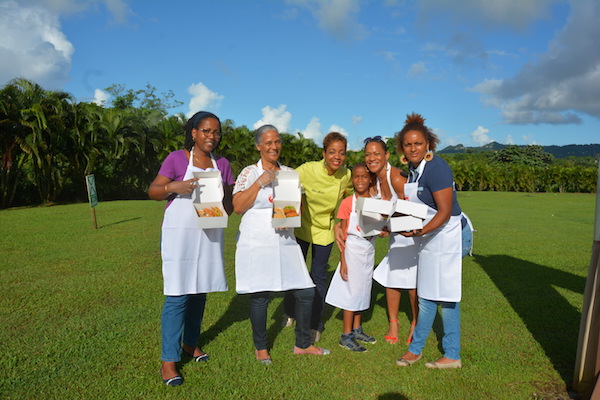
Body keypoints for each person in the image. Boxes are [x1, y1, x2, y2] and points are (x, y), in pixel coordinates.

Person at [148, 111, 234, 386]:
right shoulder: (177, 158)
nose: (212, 136)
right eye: (206, 131)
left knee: (199, 292)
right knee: (177, 294)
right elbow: (154, 190)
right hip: (180, 234)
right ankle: (169, 361)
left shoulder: (222, 164)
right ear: (194, 133)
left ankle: (190, 344)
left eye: (216, 132)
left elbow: (230, 205)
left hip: (209, 235)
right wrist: (176, 186)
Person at [233, 125, 330, 365]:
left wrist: (291, 211)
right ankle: (261, 348)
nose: (274, 147)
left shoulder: (288, 173)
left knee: (306, 291)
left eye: (276, 142)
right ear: (258, 146)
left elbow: (301, 206)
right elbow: (237, 206)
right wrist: (259, 183)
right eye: (268, 143)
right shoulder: (248, 173)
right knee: (260, 295)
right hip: (257, 241)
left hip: (285, 241)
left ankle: (302, 344)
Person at [395, 113, 463, 369]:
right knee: (425, 296)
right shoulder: (413, 171)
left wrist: (419, 232)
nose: (413, 149)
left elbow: (444, 212)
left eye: (418, 144)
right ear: (403, 148)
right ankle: (416, 349)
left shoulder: (437, 168)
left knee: (447, 298)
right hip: (427, 238)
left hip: (445, 238)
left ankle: (452, 354)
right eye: (408, 145)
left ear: (428, 145)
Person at [282, 132, 353, 343]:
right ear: (324, 153)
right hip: (301, 228)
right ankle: (290, 312)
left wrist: (342, 220)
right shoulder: (306, 169)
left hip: (325, 231)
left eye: (341, 152)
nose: (337, 156)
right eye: (332, 152)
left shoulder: (346, 175)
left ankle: (315, 323)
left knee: (318, 277)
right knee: (295, 273)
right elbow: (286, 183)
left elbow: (350, 196)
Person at [362, 136, 419, 346]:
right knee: (392, 279)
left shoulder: (396, 178)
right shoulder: (374, 180)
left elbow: (415, 210)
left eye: (377, 153)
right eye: (368, 154)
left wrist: (389, 225)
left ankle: (415, 323)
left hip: (411, 235)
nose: (372, 158)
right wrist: (381, 226)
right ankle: (393, 323)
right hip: (396, 236)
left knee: (413, 283)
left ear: (386, 155)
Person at [325, 162, 387, 352]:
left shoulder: (376, 202)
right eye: (356, 177)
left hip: (369, 249)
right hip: (352, 250)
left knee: (363, 290)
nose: (360, 180)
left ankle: (357, 328)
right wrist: (343, 262)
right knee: (351, 292)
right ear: (353, 180)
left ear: (370, 180)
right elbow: (342, 234)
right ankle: (346, 335)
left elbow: (381, 227)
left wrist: (383, 231)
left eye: (364, 177)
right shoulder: (347, 203)